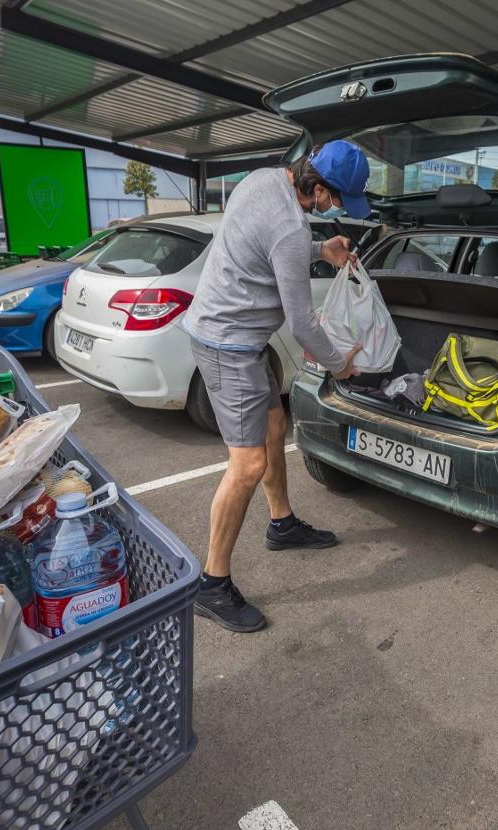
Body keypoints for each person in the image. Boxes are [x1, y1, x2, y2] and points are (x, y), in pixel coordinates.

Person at [182, 140, 371, 632]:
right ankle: (211, 584)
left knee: (273, 425)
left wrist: (319, 249)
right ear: (321, 188)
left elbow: (267, 243)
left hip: (235, 337)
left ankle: (282, 524)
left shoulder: (263, 179)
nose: (336, 210)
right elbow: (304, 325)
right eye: (337, 200)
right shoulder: (291, 226)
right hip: (230, 346)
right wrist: (339, 366)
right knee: (247, 464)